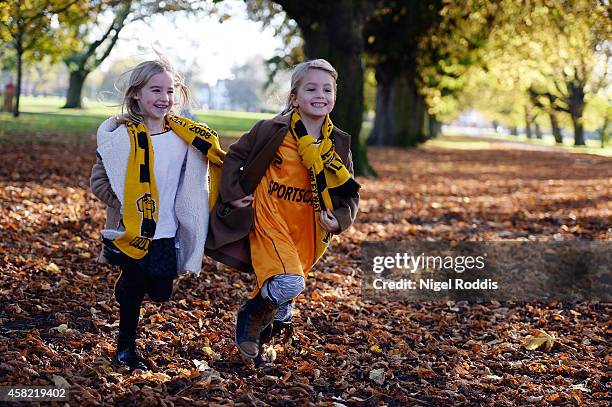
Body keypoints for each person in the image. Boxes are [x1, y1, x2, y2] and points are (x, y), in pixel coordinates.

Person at [205, 59, 360, 361]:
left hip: (309, 228)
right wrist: (235, 195)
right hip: (269, 217)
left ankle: (260, 344)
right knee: (290, 282)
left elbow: (349, 192)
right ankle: (249, 315)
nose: (320, 94)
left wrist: (339, 220)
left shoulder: (338, 144)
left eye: (327, 89)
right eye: (311, 88)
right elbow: (235, 155)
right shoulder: (272, 130)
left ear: (335, 96)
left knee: (282, 293)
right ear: (295, 97)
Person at [90, 57, 224, 370]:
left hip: (167, 230)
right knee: (136, 287)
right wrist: (126, 203)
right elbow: (98, 180)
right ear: (136, 94)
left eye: (170, 91)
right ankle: (126, 349)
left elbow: (203, 175)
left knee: (162, 291)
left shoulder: (185, 138)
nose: (164, 98)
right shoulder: (120, 139)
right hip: (136, 228)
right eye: (156, 90)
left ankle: (127, 287)